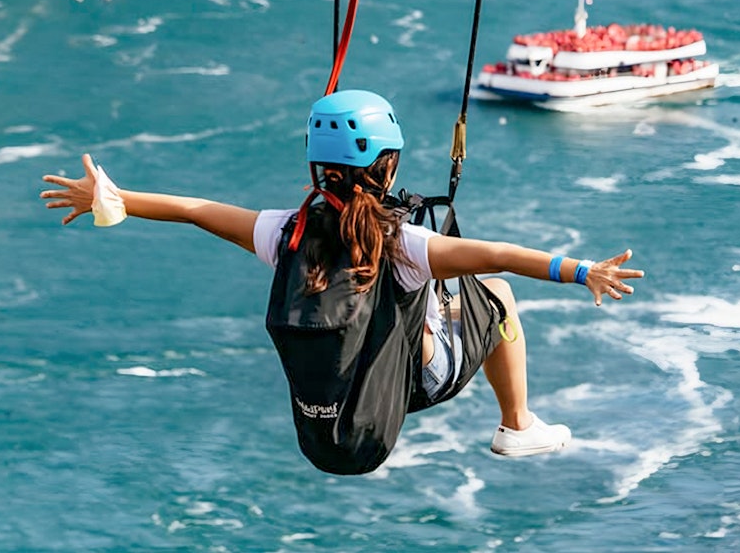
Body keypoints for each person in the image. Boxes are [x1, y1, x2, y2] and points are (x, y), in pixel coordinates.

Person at [40, 89, 644, 458]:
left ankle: (502, 411)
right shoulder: (406, 243)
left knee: (452, 293)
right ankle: (516, 426)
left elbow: (196, 212)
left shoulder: (286, 233)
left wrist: (111, 197)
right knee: (499, 296)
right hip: (411, 384)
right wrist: (581, 270)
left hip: (337, 407)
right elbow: (502, 256)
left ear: (316, 166)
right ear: (388, 167)